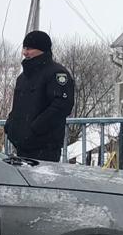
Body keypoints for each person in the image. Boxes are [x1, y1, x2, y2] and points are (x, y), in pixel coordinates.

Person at [5, 30, 75, 162]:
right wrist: (10, 126)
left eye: (30, 48)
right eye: (24, 48)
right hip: (22, 146)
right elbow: (18, 106)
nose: (25, 52)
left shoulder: (56, 74)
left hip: (45, 147)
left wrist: (35, 128)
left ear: (42, 49)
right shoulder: (23, 77)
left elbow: (62, 106)